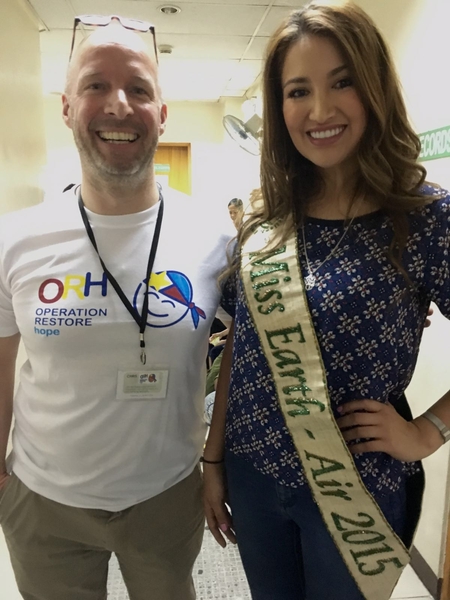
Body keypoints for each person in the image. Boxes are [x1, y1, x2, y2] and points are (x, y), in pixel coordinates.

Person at [203, 4, 450, 600]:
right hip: (254, 471)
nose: (319, 110)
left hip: (355, 487)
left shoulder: (424, 217)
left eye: (342, 82)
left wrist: (427, 432)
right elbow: (243, 344)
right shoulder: (267, 219)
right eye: (298, 91)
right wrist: (213, 459)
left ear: (375, 87)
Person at [0, 16, 231, 600]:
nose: (118, 104)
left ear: (162, 112)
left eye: (138, 88)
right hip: (44, 500)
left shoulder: (216, 237)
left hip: (166, 494)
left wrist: (214, 460)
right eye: (95, 85)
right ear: (66, 107)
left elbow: (253, 344)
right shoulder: (15, 239)